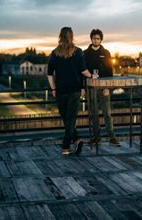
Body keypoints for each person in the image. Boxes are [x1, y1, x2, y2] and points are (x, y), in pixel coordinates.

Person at [47, 27, 91, 155]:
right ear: (71, 36)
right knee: (70, 119)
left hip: (60, 90)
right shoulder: (78, 52)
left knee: (66, 118)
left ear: (60, 36)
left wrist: (53, 88)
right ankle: (74, 141)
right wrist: (92, 76)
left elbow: (49, 74)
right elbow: (83, 71)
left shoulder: (54, 53)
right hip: (74, 90)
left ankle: (67, 145)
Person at [84, 29, 120, 146]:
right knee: (93, 113)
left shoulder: (106, 53)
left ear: (101, 40)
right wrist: (83, 88)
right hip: (90, 88)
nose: (96, 40)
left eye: (98, 38)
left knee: (107, 113)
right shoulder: (85, 53)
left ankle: (112, 137)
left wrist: (107, 88)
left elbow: (110, 72)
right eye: (94, 38)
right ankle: (96, 138)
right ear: (91, 39)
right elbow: (82, 72)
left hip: (104, 88)